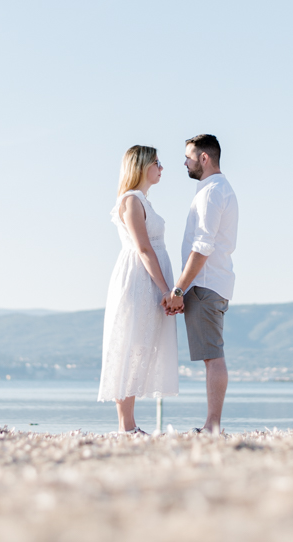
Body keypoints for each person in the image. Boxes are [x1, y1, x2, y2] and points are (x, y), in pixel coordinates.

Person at [97, 145, 179, 433]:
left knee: (141, 347)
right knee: (130, 346)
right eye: (157, 162)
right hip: (139, 279)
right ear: (142, 166)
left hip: (149, 279)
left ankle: (129, 425)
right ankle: (126, 425)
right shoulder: (131, 201)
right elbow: (143, 249)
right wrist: (168, 290)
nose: (161, 168)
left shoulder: (144, 201)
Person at [163, 134, 238, 434]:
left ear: (204, 158)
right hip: (213, 282)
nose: (184, 162)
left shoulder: (211, 192)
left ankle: (212, 426)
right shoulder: (217, 190)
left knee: (213, 355)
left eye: (188, 157)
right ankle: (212, 424)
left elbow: (202, 245)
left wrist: (179, 289)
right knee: (212, 354)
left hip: (205, 284)